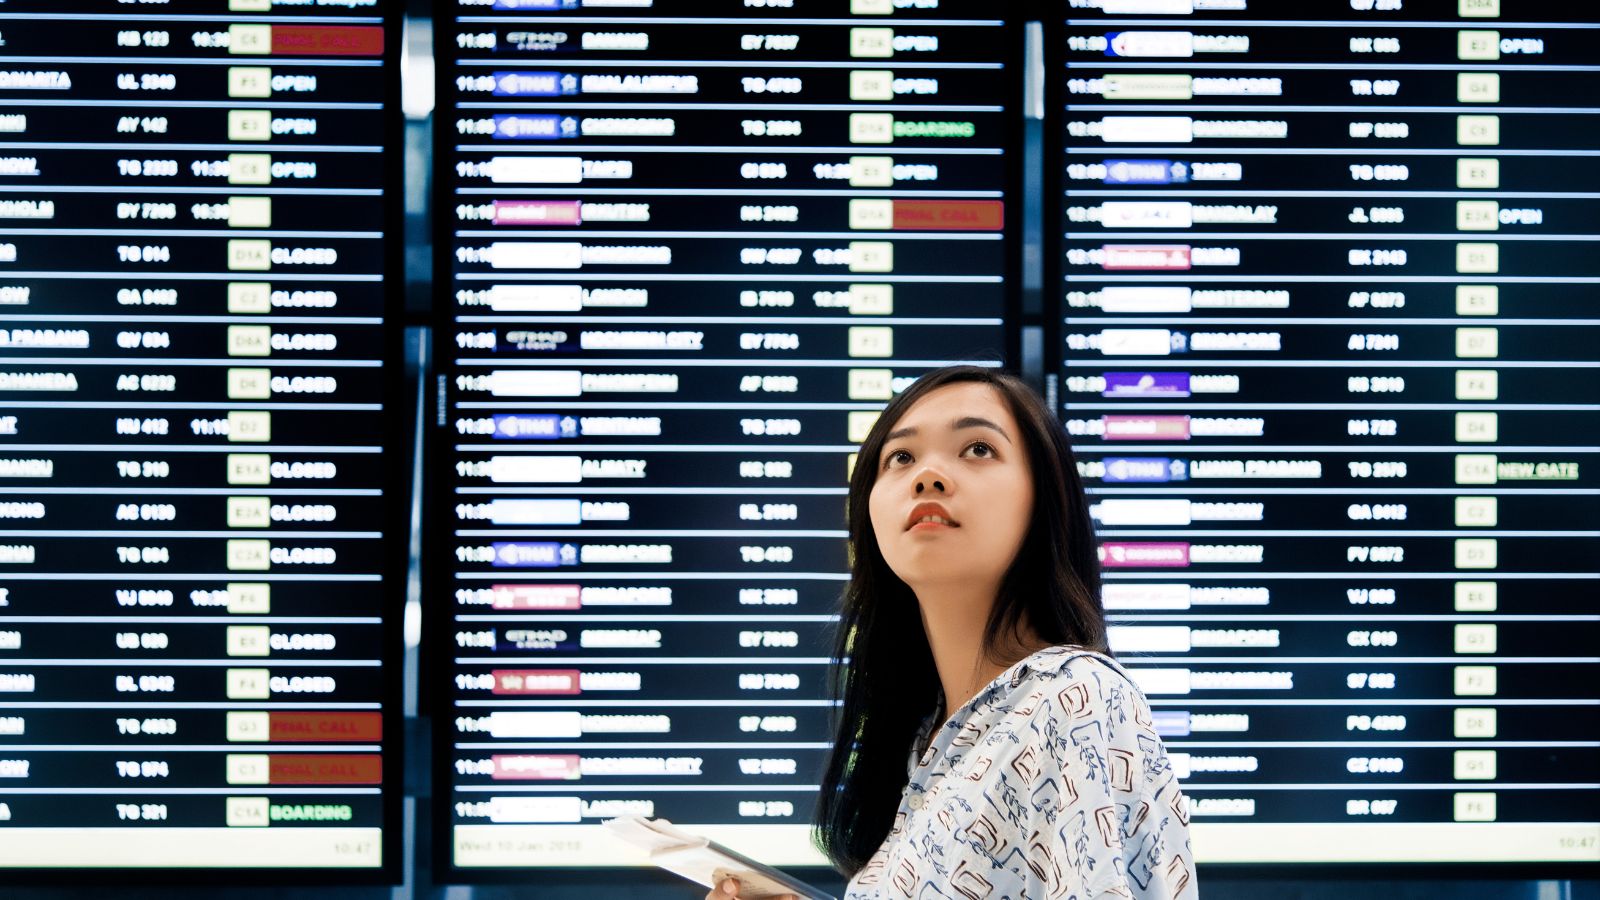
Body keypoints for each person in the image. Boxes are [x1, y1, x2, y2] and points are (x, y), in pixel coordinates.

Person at [709, 365, 1196, 900]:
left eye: (978, 449)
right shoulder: (927, 743)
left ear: (1046, 497)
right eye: (900, 457)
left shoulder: (1073, 696)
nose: (928, 476)